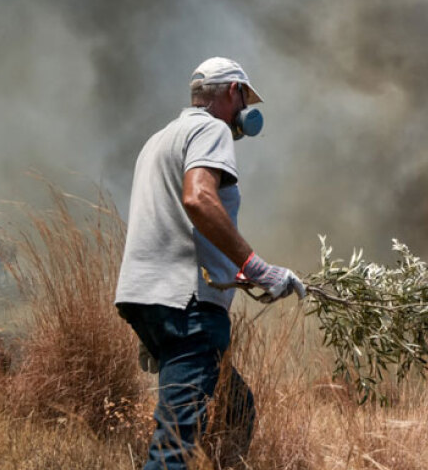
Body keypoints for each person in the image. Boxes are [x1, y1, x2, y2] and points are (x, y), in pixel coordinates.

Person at [114, 56, 306, 470]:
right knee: (173, 450)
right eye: (244, 100)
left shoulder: (158, 140)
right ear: (233, 91)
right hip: (189, 309)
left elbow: (170, 226)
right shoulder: (212, 129)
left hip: (146, 300)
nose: (244, 113)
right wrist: (258, 268)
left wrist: (227, 274)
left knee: (237, 407)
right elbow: (198, 199)